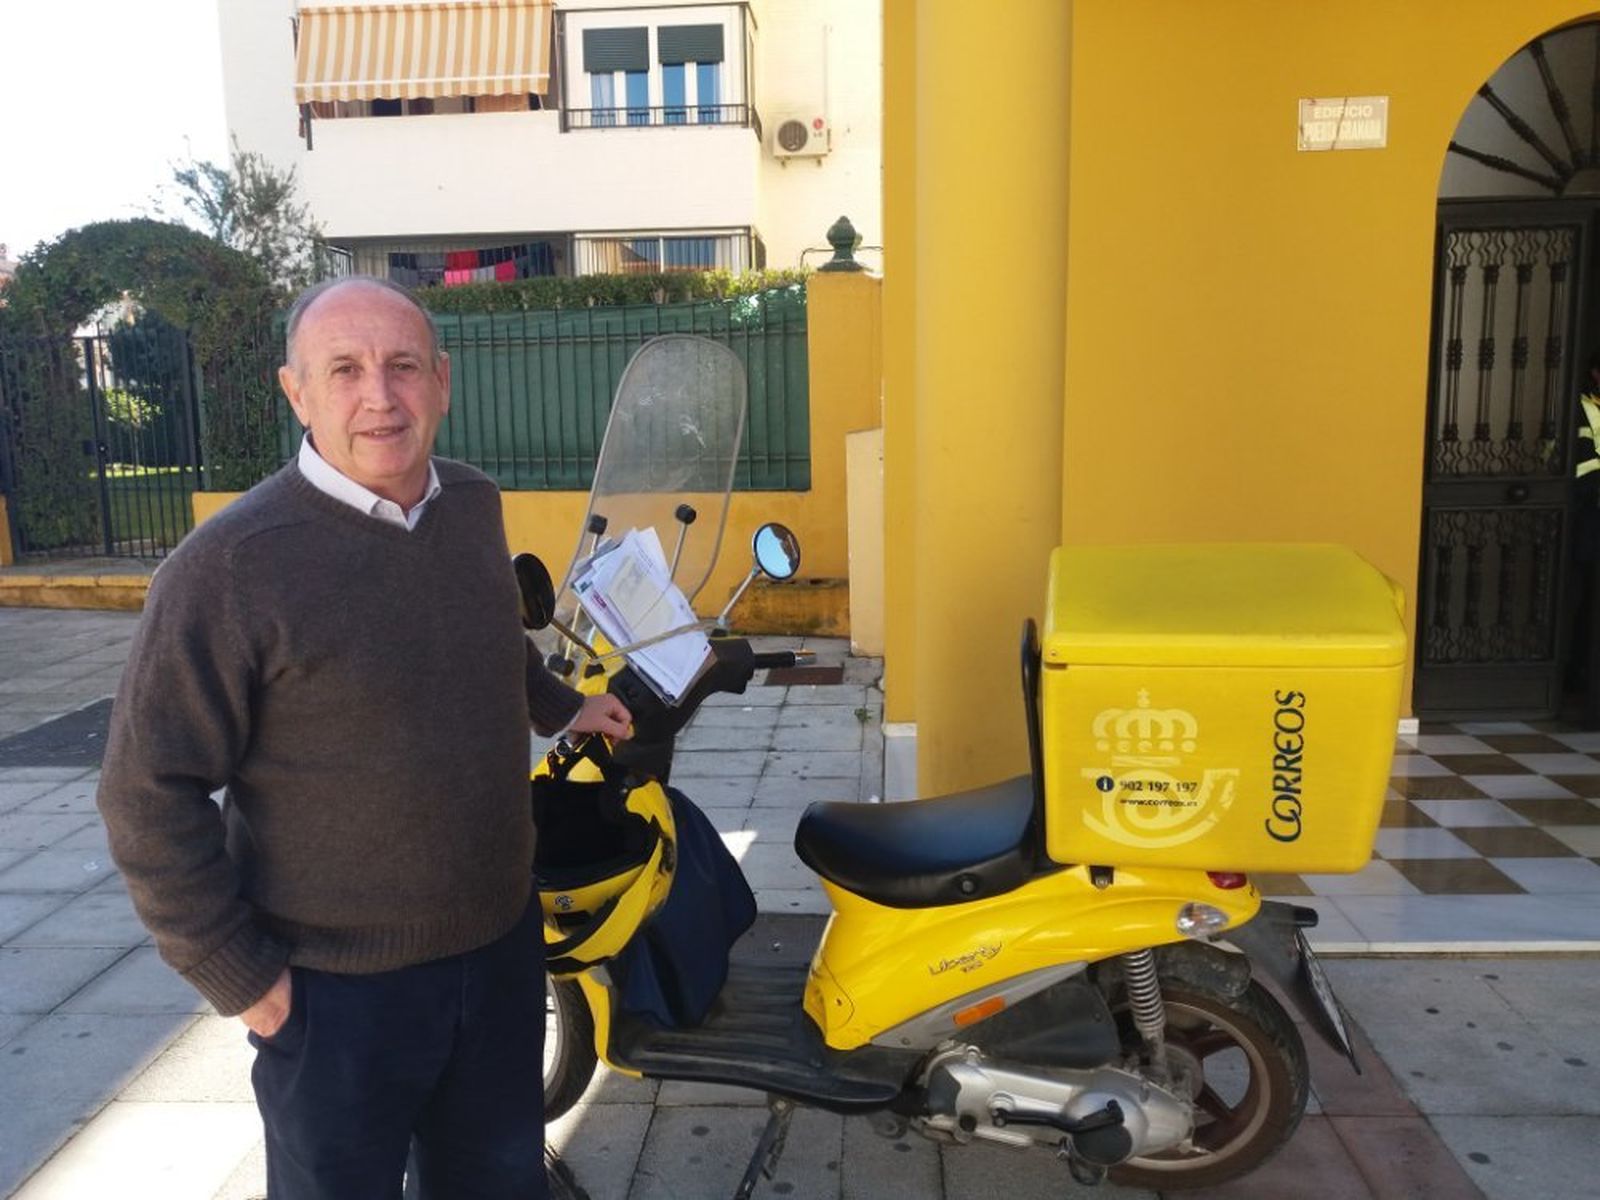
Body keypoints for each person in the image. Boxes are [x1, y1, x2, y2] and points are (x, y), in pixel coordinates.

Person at [96, 276, 631, 1199]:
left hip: (499, 950)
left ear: (443, 381)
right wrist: (242, 978)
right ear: (296, 392)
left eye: (403, 366)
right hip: (332, 992)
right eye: (343, 370)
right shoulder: (229, 567)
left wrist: (557, 704)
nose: (380, 396)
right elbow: (145, 791)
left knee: (499, 1182)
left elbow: (486, 630)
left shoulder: (470, 503)